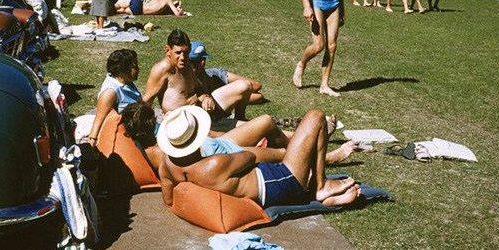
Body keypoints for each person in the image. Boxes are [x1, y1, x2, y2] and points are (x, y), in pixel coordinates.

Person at [155, 106, 362, 210]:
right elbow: (249, 156)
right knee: (316, 116)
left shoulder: (166, 165)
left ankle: (314, 183)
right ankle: (320, 187)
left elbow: (169, 200)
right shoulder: (213, 163)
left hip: (267, 185)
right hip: (278, 183)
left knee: (293, 152)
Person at [120, 101, 355, 170]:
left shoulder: (163, 132)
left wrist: (231, 132)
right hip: (225, 155)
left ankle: (302, 137)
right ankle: (326, 158)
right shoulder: (159, 152)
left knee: (265, 121)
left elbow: (207, 134)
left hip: (219, 142)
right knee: (284, 155)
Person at [142, 28, 253, 122]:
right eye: (178, 52)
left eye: (186, 52)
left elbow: (199, 88)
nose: (183, 57)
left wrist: (206, 97)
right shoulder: (162, 68)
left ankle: (239, 118)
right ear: (167, 50)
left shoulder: (186, 64)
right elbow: (147, 101)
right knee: (253, 129)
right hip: (183, 122)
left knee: (245, 85)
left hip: (203, 111)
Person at [85, 48, 143, 147]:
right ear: (122, 70)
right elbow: (99, 120)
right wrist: (92, 142)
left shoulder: (126, 82)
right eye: (134, 66)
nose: (138, 69)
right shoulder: (110, 92)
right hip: (125, 139)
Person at [188, 40, 266, 105]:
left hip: (217, 76)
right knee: (259, 96)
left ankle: (236, 92)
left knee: (256, 86)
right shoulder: (186, 80)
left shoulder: (212, 74)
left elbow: (257, 86)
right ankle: (236, 95)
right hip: (220, 97)